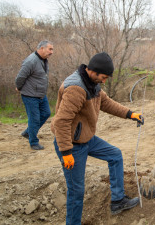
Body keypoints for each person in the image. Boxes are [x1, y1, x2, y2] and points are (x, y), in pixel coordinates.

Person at [51, 52, 144, 224]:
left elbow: (106, 103)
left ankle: (117, 201)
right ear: (92, 71)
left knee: (115, 155)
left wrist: (130, 114)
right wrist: (65, 152)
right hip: (71, 145)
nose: (104, 81)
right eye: (103, 77)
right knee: (76, 192)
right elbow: (61, 121)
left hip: (87, 139)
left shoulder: (92, 84)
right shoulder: (76, 88)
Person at [15, 40, 54, 150]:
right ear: (42, 48)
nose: (52, 52)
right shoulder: (31, 61)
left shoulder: (43, 60)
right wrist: (19, 87)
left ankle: (28, 132)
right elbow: (20, 77)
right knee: (34, 119)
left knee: (46, 113)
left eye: (52, 49)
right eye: (50, 49)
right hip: (30, 95)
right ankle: (33, 142)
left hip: (41, 94)